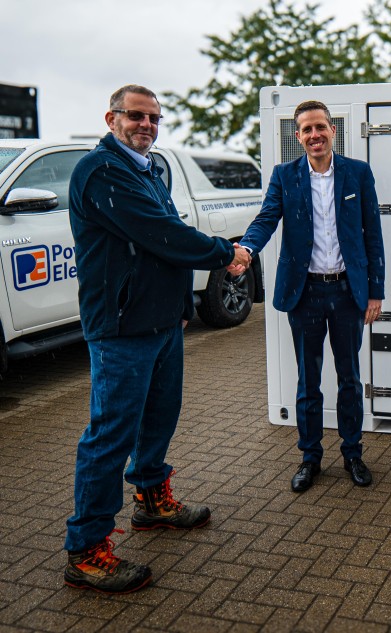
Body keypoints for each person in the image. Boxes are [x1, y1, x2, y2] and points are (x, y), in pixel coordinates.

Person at [64, 84, 250, 594]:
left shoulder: (148, 169)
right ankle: (86, 549)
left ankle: (151, 501)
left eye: (153, 118)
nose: (146, 125)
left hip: (161, 322)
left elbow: (164, 240)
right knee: (110, 435)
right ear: (111, 119)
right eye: (136, 116)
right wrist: (226, 252)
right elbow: (161, 234)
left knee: (161, 416)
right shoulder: (101, 171)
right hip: (122, 328)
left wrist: (181, 308)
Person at [232, 100, 385, 493]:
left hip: (348, 293)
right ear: (298, 136)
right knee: (308, 381)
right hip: (306, 293)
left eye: (320, 127)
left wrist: (375, 292)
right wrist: (246, 249)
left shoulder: (358, 173)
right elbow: (267, 218)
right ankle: (310, 457)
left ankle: (352, 453)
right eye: (307, 129)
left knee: (350, 378)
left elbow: (373, 235)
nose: (315, 135)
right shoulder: (285, 176)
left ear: (332, 130)